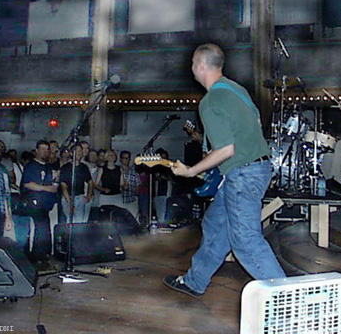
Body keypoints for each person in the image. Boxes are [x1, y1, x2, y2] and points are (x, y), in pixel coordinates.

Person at [163, 43, 286, 297]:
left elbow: (226, 150)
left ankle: (288, 301)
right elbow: (255, 122)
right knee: (216, 224)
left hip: (243, 173)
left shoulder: (210, 102)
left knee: (245, 241)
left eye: (192, 64)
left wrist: (190, 171)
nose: (192, 69)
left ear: (200, 66)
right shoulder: (236, 90)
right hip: (257, 168)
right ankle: (195, 281)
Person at [21, 140, 58, 264]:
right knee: (39, 231)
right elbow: (27, 184)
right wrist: (47, 188)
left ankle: (43, 256)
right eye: (42, 149)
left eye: (47, 149)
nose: (45, 152)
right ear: (36, 151)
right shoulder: (31, 166)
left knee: (45, 231)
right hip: (33, 204)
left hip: (45, 205)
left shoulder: (48, 167)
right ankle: (35, 258)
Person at [60, 144, 93, 223]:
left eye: (80, 151)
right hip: (68, 197)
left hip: (80, 197)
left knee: (79, 221)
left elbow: (90, 182)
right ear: (71, 153)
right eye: (76, 151)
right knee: (70, 222)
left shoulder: (84, 167)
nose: (78, 153)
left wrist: (89, 196)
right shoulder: (65, 167)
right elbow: (63, 186)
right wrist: (70, 202)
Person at [120, 150, 141, 222]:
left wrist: (136, 198)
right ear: (120, 159)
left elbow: (138, 186)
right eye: (124, 158)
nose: (126, 160)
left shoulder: (134, 172)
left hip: (131, 200)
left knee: (135, 220)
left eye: (127, 158)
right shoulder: (117, 170)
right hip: (120, 200)